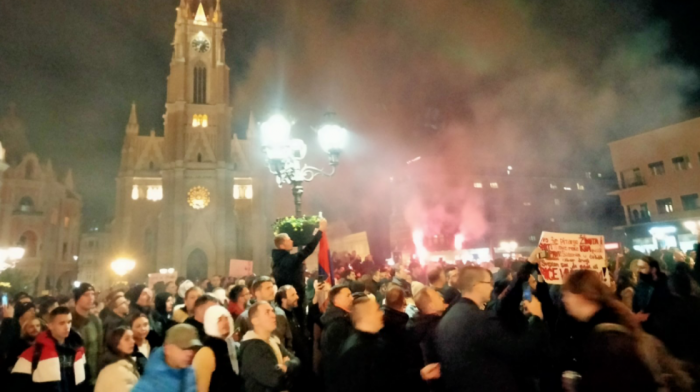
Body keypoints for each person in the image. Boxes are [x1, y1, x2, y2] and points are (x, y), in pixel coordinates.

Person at [560, 270, 690, 392]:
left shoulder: (606, 340)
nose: (563, 300)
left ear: (581, 295)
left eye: (566, 294)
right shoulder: (611, 324)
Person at [437, 266, 546, 392]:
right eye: (489, 283)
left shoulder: (450, 315)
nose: (491, 287)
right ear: (476, 285)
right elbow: (519, 348)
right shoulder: (479, 319)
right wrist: (537, 318)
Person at [11, 306, 87, 392]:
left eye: (69, 322)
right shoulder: (33, 353)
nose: (67, 327)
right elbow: (17, 385)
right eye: (62, 323)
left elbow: (84, 380)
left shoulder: (78, 349)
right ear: (50, 326)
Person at [271, 217, 327, 324]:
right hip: (294, 301)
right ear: (282, 245)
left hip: (292, 298)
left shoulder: (280, 259)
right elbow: (307, 250)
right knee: (299, 323)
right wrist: (320, 231)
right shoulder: (287, 260)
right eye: (289, 239)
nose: (292, 241)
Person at [333, 295, 392, 392]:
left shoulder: (372, 341)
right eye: (377, 310)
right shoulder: (357, 352)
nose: (381, 313)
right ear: (366, 316)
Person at [239, 301, 300, 392]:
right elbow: (276, 380)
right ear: (255, 320)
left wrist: (286, 366)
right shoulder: (253, 348)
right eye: (267, 312)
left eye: (272, 311)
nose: (273, 315)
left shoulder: (273, 340)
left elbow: (297, 362)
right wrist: (290, 372)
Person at [131, 324, 200, 392]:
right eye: (184, 348)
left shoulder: (189, 375)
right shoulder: (147, 387)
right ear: (167, 348)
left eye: (193, 348)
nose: (190, 353)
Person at [192, 305, 242, 392]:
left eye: (226, 318)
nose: (225, 323)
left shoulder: (229, 345)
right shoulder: (207, 351)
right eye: (219, 320)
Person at [235, 276, 292, 350]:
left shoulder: (279, 313)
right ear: (257, 292)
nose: (272, 291)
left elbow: (288, 339)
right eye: (268, 288)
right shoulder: (245, 317)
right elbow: (240, 343)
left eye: (272, 287)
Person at [320, 285, 354, 391]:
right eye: (348, 295)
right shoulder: (338, 324)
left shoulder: (340, 319)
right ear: (336, 300)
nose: (352, 298)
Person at [72, 282, 103, 386]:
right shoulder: (69, 321)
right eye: (86, 295)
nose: (91, 298)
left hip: (93, 376)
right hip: (74, 375)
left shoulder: (95, 321)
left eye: (92, 294)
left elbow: (100, 349)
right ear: (77, 298)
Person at [95, 327, 140, 392]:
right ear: (116, 343)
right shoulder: (114, 371)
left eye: (132, 337)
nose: (133, 341)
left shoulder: (126, 362)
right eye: (127, 339)